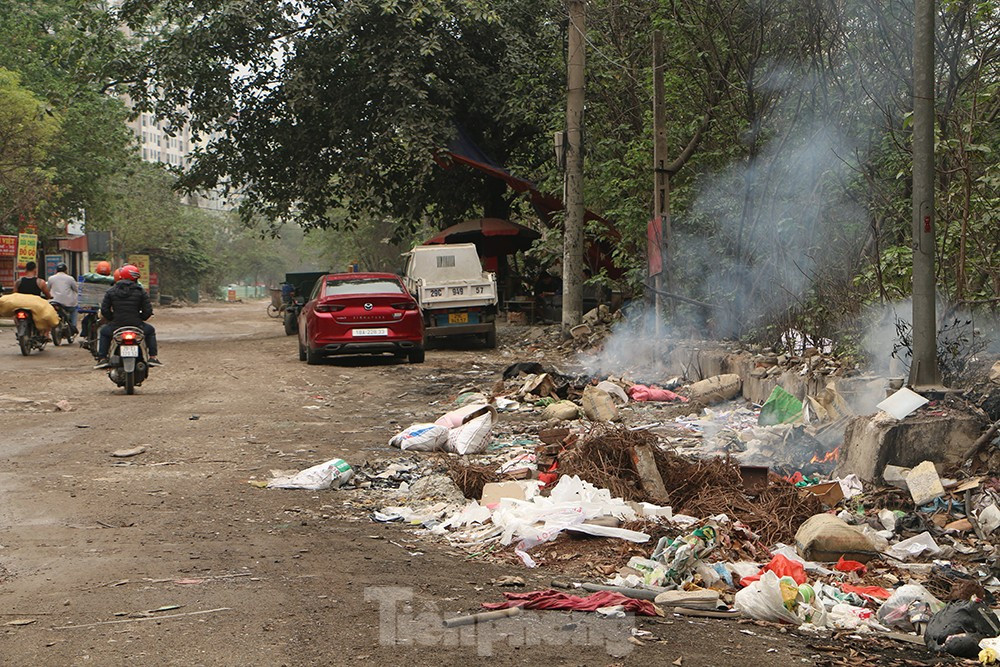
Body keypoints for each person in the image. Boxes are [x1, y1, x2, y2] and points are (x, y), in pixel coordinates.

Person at [94, 264, 162, 368]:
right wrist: (140, 318)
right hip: (137, 325)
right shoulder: (141, 291)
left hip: (116, 326)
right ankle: (153, 357)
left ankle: (102, 359)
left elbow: (104, 310)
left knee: (103, 332)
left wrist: (112, 318)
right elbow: (148, 311)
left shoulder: (111, 291)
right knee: (150, 331)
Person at [48, 262, 79, 335]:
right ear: (66, 270)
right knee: (74, 310)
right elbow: (76, 289)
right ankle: (73, 327)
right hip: (69, 304)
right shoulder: (70, 278)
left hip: (54, 303)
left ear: (56, 270)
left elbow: (47, 289)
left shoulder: (51, 278)